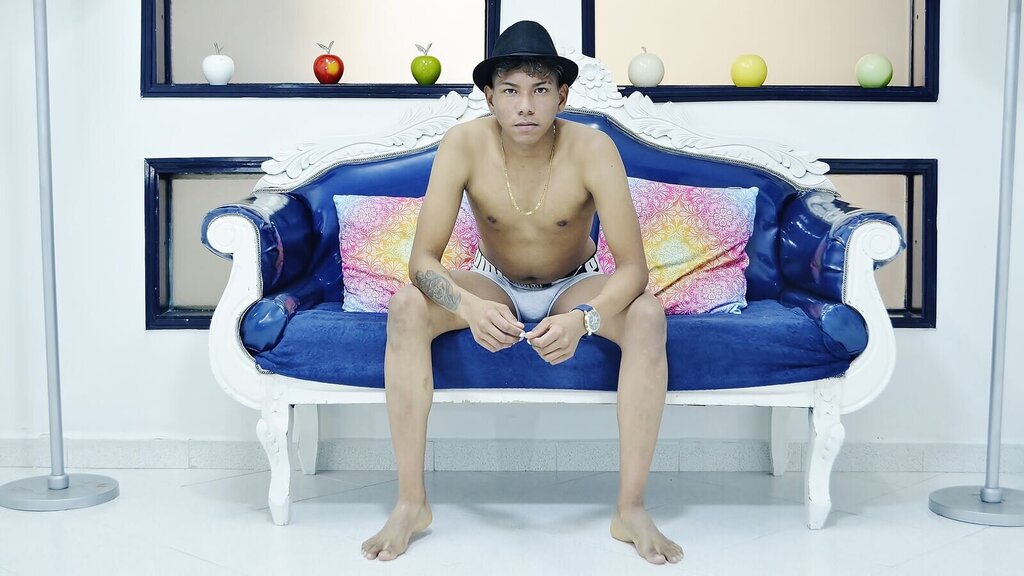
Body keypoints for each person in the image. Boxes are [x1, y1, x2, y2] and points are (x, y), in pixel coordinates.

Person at [361, 20, 682, 565]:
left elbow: (633, 270)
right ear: (490, 97)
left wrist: (586, 318)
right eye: (510, 91)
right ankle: (411, 503)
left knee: (648, 316)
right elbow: (422, 262)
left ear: (562, 96)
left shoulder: (593, 147)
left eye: (540, 90)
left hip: (574, 283)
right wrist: (467, 306)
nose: (526, 106)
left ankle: (630, 509)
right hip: (492, 280)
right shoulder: (463, 144)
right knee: (406, 306)